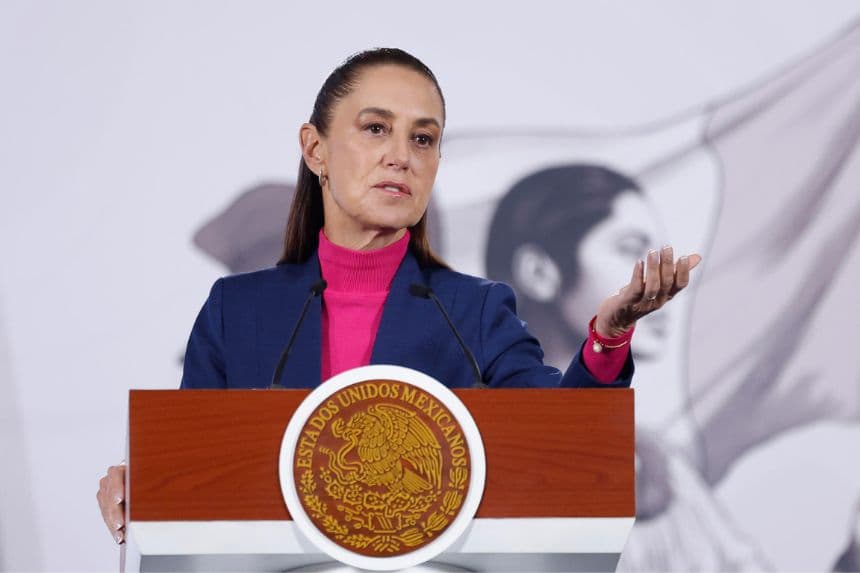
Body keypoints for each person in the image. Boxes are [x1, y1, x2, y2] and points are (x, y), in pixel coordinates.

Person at [97, 48, 700, 545]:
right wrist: (144, 485)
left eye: (424, 138)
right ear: (315, 150)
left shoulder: (476, 312)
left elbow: (564, 444)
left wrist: (608, 336)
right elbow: (196, 471)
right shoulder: (238, 310)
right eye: (376, 128)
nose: (401, 156)